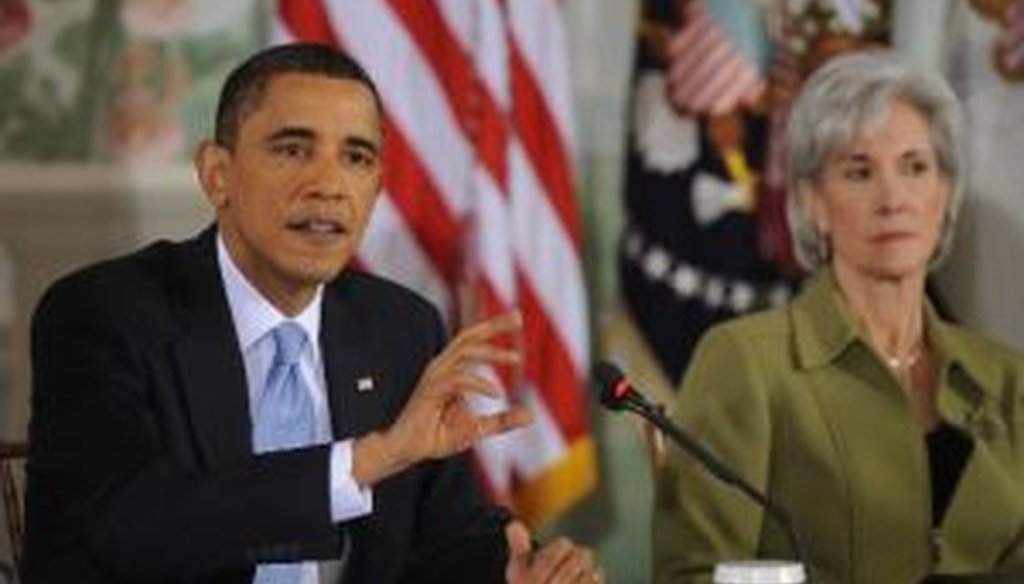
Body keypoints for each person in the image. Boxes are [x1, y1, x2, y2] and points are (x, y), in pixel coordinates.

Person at [21, 42, 602, 584]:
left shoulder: (399, 329)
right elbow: (132, 527)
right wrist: (367, 460)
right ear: (217, 174)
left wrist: (512, 568)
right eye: (293, 149)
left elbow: (439, 541)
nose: (327, 184)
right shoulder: (105, 315)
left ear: (375, 188)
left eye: (356, 157)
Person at [652, 50, 1024, 583]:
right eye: (859, 171)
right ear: (814, 202)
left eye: (915, 167)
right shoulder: (747, 362)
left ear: (944, 193)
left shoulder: (1009, 379)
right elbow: (693, 574)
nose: (893, 197)